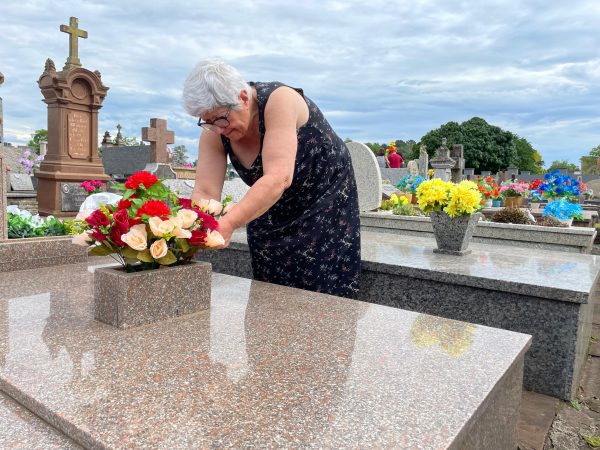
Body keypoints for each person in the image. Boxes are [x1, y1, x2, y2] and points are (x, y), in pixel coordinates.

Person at [182, 59, 361, 298]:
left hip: (323, 205)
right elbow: (205, 191)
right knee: (267, 294)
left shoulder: (280, 100)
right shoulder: (216, 131)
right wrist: (192, 232)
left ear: (243, 98)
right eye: (208, 121)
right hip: (269, 206)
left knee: (321, 297)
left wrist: (228, 223)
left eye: (221, 118)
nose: (218, 129)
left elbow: (278, 178)